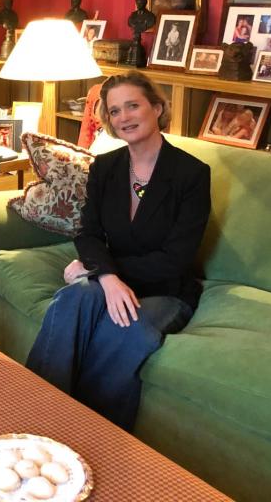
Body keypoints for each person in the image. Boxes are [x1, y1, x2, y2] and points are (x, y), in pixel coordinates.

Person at [25, 71, 211, 430]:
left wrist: (103, 271)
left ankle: (91, 432)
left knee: (126, 328)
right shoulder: (105, 168)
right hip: (113, 277)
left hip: (166, 290)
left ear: (157, 107)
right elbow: (88, 232)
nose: (124, 116)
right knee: (73, 299)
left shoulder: (191, 174)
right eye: (114, 111)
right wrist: (105, 277)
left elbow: (176, 259)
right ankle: (37, 415)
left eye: (133, 105)